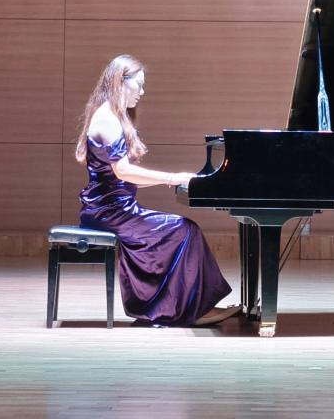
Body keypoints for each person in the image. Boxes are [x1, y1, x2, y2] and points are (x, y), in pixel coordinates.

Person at [75, 54, 238, 327]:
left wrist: (171, 180)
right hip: (110, 213)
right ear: (120, 82)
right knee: (185, 230)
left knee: (182, 231)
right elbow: (123, 172)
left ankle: (187, 306)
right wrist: (171, 177)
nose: (142, 92)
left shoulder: (111, 115)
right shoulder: (107, 119)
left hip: (115, 210)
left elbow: (125, 179)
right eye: (138, 85)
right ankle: (189, 309)